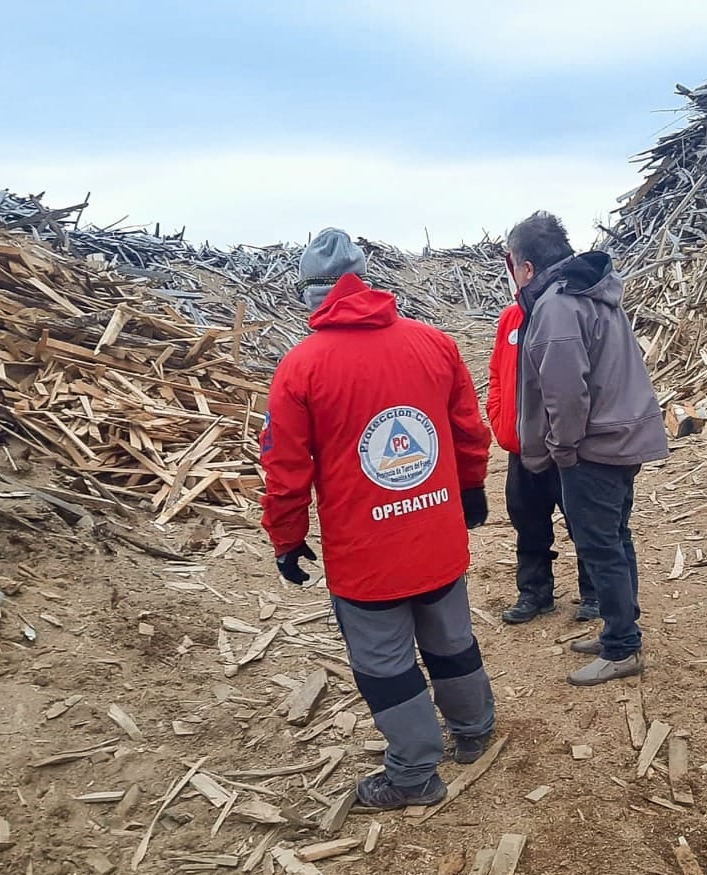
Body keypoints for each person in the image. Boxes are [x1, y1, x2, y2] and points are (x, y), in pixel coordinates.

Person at [260, 227, 496, 809]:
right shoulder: (433, 343)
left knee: (385, 664)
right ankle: (475, 731)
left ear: (309, 293)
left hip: (365, 556)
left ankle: (415, 774)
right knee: (450, 638)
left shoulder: (301, 367)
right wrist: (471, 489)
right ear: (364, 279)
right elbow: (468, 429)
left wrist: (286, 538)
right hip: (436, 535)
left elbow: (286, 470)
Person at [507, 212, 669, 686]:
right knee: (616, 539)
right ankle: (621, 628)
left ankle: (622, 647)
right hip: (623, 437)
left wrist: (562, 448)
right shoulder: (594, 291)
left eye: (514, 265)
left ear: (528, 268)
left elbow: (564, 392)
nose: (514, 276)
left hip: (594, 447)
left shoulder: (558, 307)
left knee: (601, 546)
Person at [486, 296, 599, 625]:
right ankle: (534, 592)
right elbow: (497, 374)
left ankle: (594, 592)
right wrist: (501, 418)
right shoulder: (510, 318)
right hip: (522, 445)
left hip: (566, 444)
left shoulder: (566, 314)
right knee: (527, 520)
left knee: (583, 521)